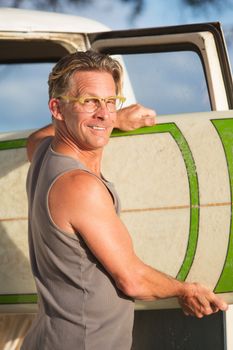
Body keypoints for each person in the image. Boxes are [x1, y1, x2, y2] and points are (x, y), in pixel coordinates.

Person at [21, 50, 228, 350]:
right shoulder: (80, 186)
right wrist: (184, 290)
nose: (104, 114)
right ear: (57, 107)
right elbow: (133, 280)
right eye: (89, 101)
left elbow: (34, 139)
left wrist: (114, 120)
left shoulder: (44, 155)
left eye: (109, 102)